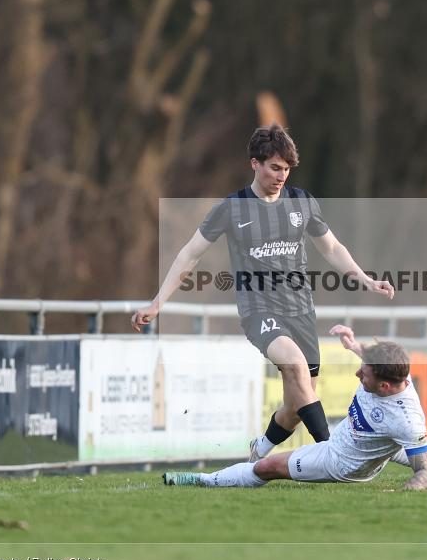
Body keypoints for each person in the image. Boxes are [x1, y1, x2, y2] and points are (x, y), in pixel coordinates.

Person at [132, 124, 394, 460]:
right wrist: (158, 303)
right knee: (297, 367)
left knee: (296, 406)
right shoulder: (232, 208)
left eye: (286, 169)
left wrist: (366, 279)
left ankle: (260, 449)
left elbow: (332, 248)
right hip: (260, 312)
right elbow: (189, 254)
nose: (281, 175)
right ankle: (333, 453)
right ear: (255, 164)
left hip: (301, 311)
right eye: (274, 167)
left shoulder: (302, 203)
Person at [162, 325, 427, 490]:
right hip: (367, 442)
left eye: (364, 373)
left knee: (266, 468)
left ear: (385, 387)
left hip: (341, 462)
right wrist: (354, 346)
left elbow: (424, 476)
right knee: (390, 443)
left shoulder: (405, 419)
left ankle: (202, 480)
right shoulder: (392, 370)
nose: (357, 373)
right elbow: (377, 359)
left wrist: (401, 493)